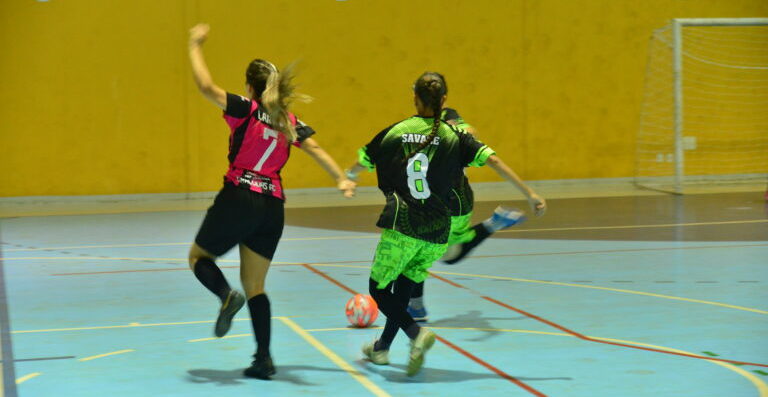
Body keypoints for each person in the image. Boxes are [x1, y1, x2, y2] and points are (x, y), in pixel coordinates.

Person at [346, 72, 544, 377]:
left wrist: (349, 174)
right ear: (444, 102)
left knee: (379, 287)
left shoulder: (396, 132)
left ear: (414, 99)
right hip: (438, 230)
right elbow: (493, 160)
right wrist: (529, 193)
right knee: (404, 287)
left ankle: (416, 334)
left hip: (404, 225)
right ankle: (382, 348)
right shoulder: (456, 137)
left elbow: (366, 158)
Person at [186, 23, 355, 380]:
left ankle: (225, 295)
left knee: (199, 258)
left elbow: (205, 87)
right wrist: (340, 178)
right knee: (257, 287)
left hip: (240, 195)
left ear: (250, 86)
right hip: (273, 207)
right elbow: (317, 149)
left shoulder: (245, 108)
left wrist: (194, 46)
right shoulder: (287, 119)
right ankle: (264, 359)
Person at [405, 108, 546, 322]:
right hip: (460, 202)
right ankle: (492, 224)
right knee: (448, 256)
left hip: (441, 203)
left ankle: (416, 308)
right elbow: (479, 141)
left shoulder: (431, 134)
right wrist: (530, 194)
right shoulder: (459, 134)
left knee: (419, 251)